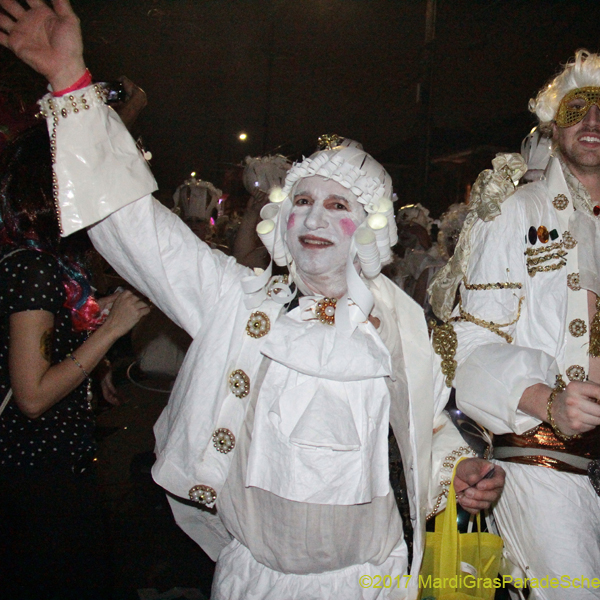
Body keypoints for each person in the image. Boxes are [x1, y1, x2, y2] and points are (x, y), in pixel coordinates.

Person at [0, 2, 504, 599]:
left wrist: (457, 470)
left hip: (369, 585)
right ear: (282, 220)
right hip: (254, 582)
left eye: (338, 205)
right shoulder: (233, 300)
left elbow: (422, 428)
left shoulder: (400, 328)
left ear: (368, 231)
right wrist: (71, 85)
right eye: (304, 201)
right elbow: (132, 225)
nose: (315, 215)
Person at [428, 49, 600, 598]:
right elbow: (467, 342)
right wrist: (543, 399)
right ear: (554, 124)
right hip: (541, 460)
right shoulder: (514, 215)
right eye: (577, 108)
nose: (591, 122)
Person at [0, 124, 150, 599]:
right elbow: (32, 395)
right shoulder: (34, 267)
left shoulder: (44, 261)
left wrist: (101, 310)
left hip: (53, 465)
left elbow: (52, 326)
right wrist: (110, 332)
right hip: (37, 475)